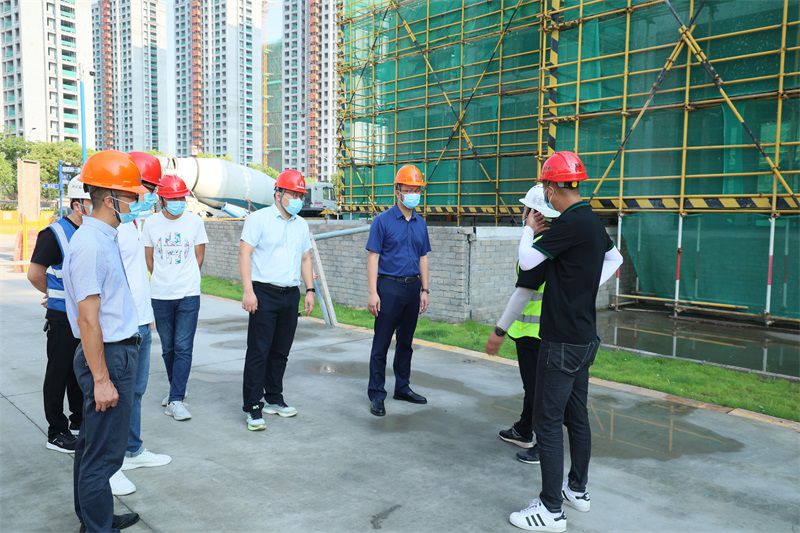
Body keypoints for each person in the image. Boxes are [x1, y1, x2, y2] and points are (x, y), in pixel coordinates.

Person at [509, 151, 623, 532]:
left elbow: (528, 262)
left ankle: (550, 510)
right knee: (577, 417)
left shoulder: (570, 222)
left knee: (547, 420)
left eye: (546, 188)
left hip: (560, 343)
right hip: (584, 339)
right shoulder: (591, 220)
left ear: (552, 188)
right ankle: (577, 490)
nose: (545, 197)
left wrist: (529, 227)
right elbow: (616, 260)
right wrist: (584, 286)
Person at [62, 150, 145, 532]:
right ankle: (97, 527)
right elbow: (88, 319)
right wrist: (101, 379)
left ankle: (94, 518)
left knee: (92, 446)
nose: (137, 202)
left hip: (113, 352)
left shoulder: (103, 237)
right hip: (108, 356)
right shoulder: (91, 244)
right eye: (132, 196)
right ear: (111, 199)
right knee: (104, 455)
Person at [485, 185, 560, 464]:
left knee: (538, 390)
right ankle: (524, 428)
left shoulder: (540, 247)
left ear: (534, 213)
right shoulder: (551, 241)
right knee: (534, 387)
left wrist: (499, 330)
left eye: (525, 208)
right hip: (536, 331)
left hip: (535, 334)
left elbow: (524, 293)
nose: (522, 212)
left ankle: (543, 444)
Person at [113, 152, 171, 495]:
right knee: (117, 396)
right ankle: (111, 463)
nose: (152, 197)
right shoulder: (112, 229)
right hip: (122, 325)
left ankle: (132, 450)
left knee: (135, 391)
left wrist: (147, 319)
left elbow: (136, 276)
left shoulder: (134, 224)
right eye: (149, 189)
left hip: (140, 321)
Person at [239, 169, 315, 431]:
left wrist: (310, 290)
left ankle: (274, 397)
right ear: (278, 193)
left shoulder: (301, 224)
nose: (296, 199)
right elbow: (244, 254)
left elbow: (305, 258)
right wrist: (248, 291)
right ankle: (253, 405)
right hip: (264, 293)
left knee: (281, 350)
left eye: (300, 195)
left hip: (290, 294)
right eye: (292, 194)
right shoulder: (258, 219)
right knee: (259, 351)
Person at [27, 176, 91, 453]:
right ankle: (56, 431)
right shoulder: (54, 234)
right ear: (77, 205)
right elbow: (35, 273)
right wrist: (52, 294)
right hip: (62, 317)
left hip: (84, 316)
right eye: (90, 202)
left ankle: (78, 420)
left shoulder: (90, 233)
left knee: (78, 371)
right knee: (58, 373)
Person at [365, 164, 431, 417]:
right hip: (389, 287)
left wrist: (425, 289)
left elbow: (423, 257)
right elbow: (373, 258)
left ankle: (402, 387)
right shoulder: (382, 222)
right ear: (398, 191)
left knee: (406, 343)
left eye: (417, 189)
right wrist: (373, 292)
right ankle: (376, 394)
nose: (414, 194)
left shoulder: (420, 223)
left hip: (412, 288)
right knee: (381, 343)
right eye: (409, 189)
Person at [142, 173, 208, 422]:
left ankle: (176, 399)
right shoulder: (151, 223)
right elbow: (149, 258)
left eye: (181, 198)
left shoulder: (195, 222)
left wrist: (185, 277)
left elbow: (199, 256)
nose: (178, 202)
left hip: (188, 293)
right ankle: (175, 389)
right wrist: (164, 277)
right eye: (173, 199)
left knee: (183, 346)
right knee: (168, 347)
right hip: (160, 294)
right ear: (162, 199)